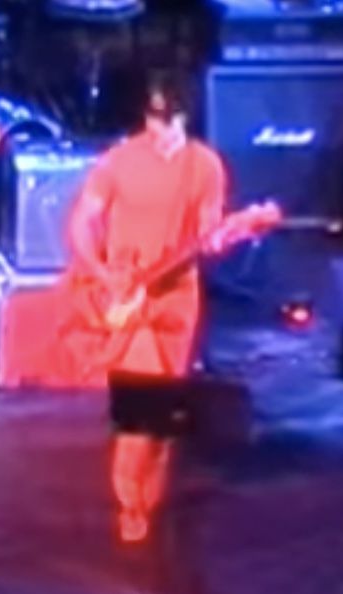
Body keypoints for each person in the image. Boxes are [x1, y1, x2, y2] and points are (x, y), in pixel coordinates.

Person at [66, 71, 228, 543]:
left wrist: (218, 240)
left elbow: (209, 228)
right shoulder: (119, 160)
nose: (163, 128)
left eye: (171, 118)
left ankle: (147, 497)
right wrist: (101, 273)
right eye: (156, 117)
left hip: (177, 300)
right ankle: (127, 502)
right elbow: (83, 221)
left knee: (163, 423)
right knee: (140, 414)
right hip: (126, 294)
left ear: (185, 116)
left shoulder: (206, 165)